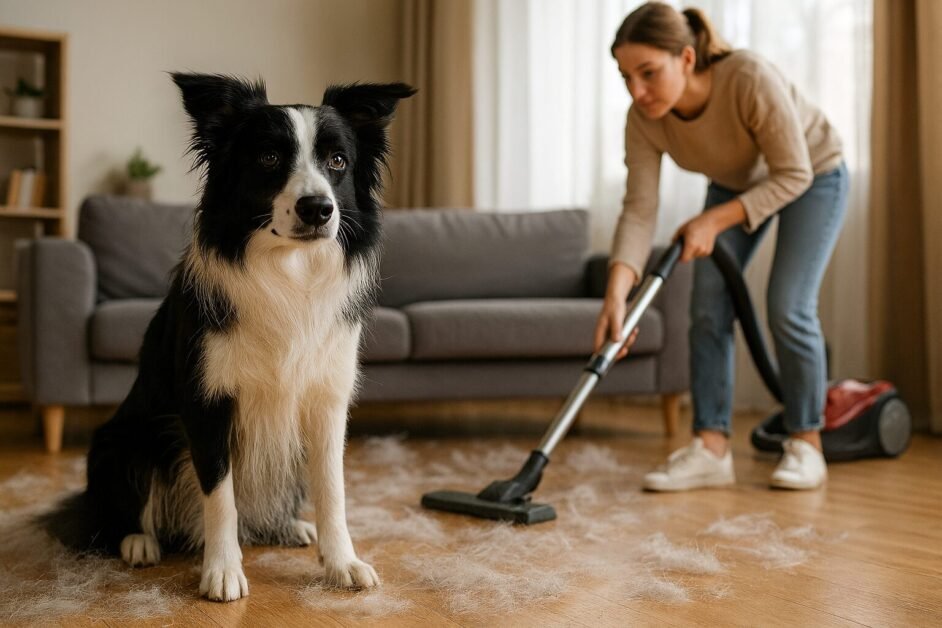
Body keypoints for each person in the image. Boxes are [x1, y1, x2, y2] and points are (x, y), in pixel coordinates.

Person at [595, 2, 847, 491]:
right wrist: (616, 295)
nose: (637, 91)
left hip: (812, 175)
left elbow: (792, 173)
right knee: (708, 306)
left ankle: (806, 443)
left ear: (686, 58)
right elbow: (639, 210)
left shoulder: (746, 77)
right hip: (735, 182)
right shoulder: (643, 119)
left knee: (788, 305)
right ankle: (711, 449)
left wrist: (712, 220)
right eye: (626, 77)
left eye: (648, 73)